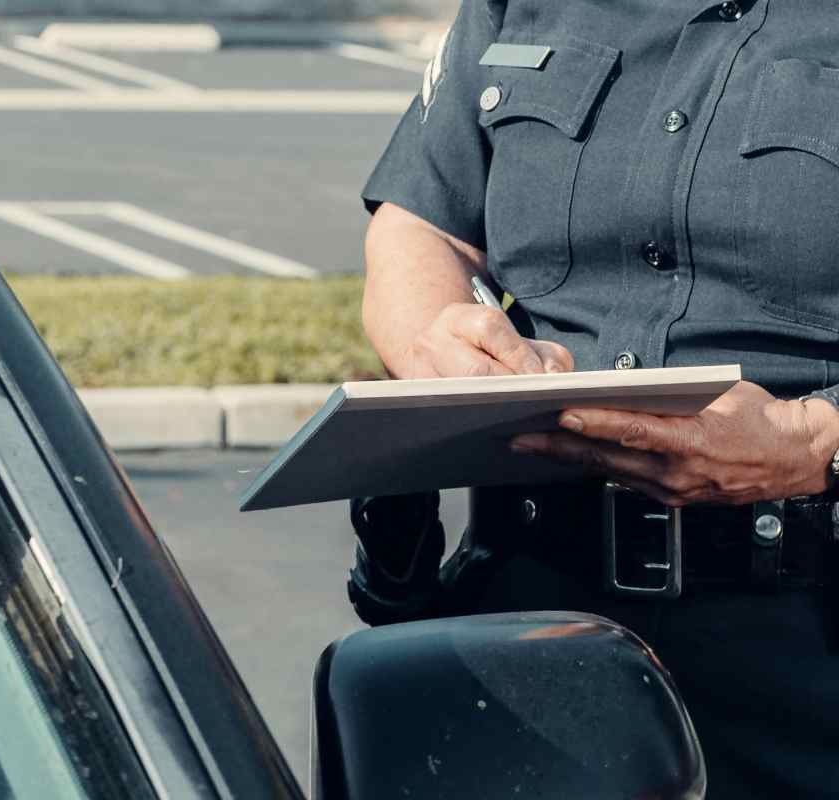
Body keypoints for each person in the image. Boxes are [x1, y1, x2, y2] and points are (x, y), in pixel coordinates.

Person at [352, 1, 839, 796]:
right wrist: (437, 341)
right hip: (525, 620)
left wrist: (818, 443)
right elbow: (423, 227)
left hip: (809, 649)